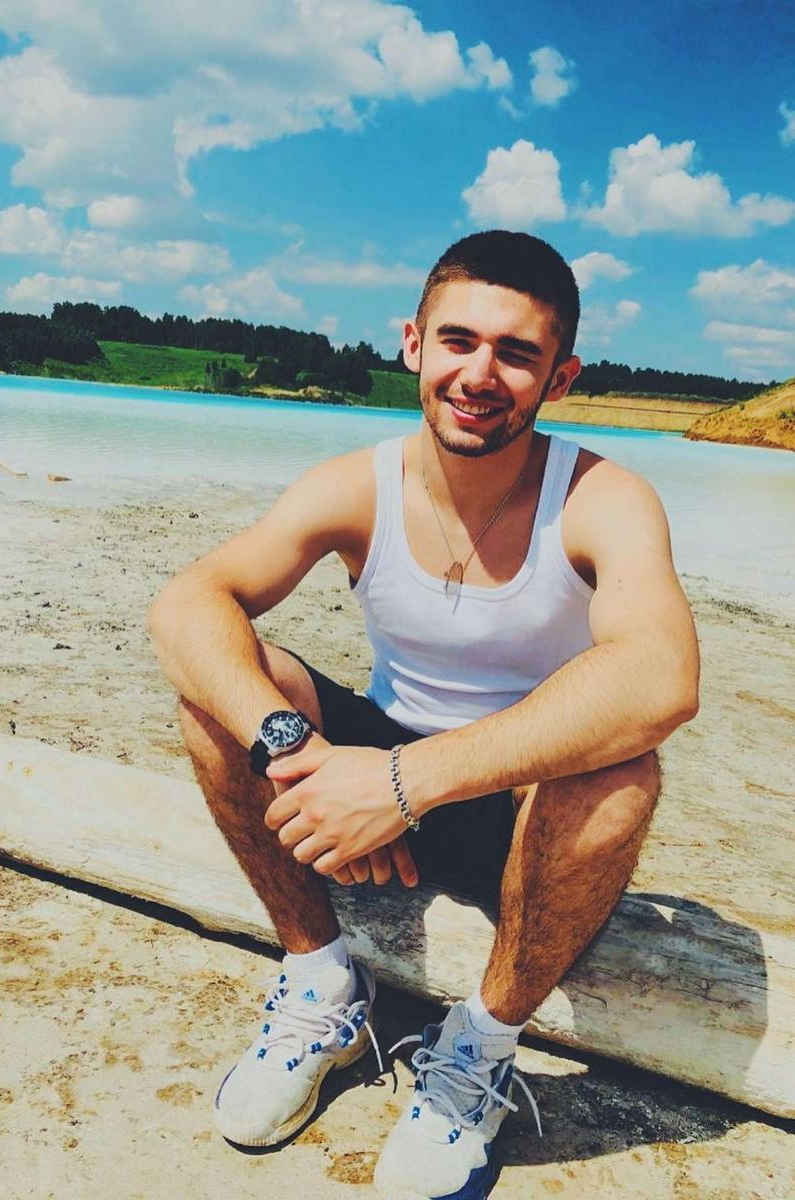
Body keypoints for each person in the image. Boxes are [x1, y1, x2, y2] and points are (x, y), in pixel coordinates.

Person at [149, 230, 699, 1200]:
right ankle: (322, 979)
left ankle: (480, 1043)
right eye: (457, 341)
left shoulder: (602, 499)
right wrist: (295, 753)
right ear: (412, 344)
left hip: (513, 801)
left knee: (622, 774)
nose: (478, 374)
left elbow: (660, 679)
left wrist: (401, 785)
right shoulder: (354, 485)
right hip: (367, 763)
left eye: (516, 353)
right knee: (226, 691)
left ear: (559, 377)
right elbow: (190, 602)